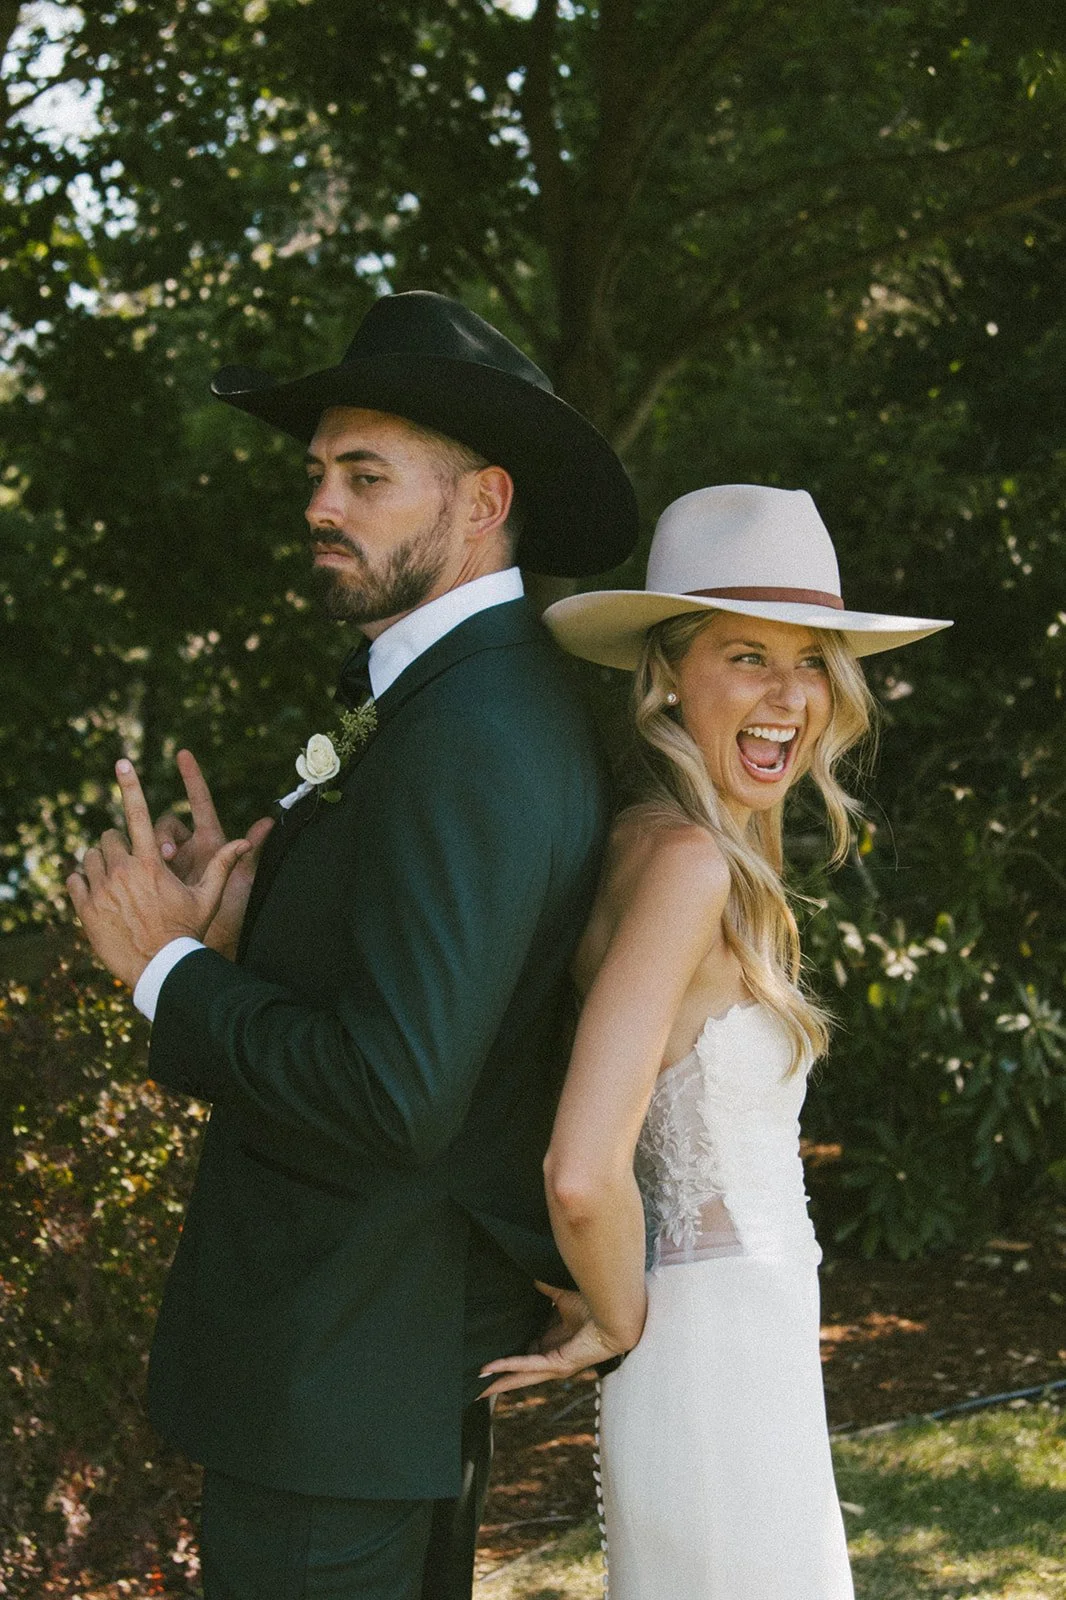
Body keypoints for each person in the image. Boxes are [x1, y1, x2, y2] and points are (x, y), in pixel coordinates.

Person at [64, 290, 638, 1600]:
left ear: (483, 500)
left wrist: (167, 973)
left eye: (364, 475)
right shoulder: (455, 706)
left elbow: (397, 1096)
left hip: (344, 1373)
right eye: (318, 471)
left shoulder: (476, 733)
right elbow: (410, 1000)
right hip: (359, 1381)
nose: (319, 504)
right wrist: (236, 926)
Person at [479, 484, 951, 1599]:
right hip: (712, 1359)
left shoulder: (667, 845)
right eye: (747, 656)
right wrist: (616, 1313)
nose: (791, 695)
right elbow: (583, 1172)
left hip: (745, 1348)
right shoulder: (689, 867)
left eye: (813, 661)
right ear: (665, 672)